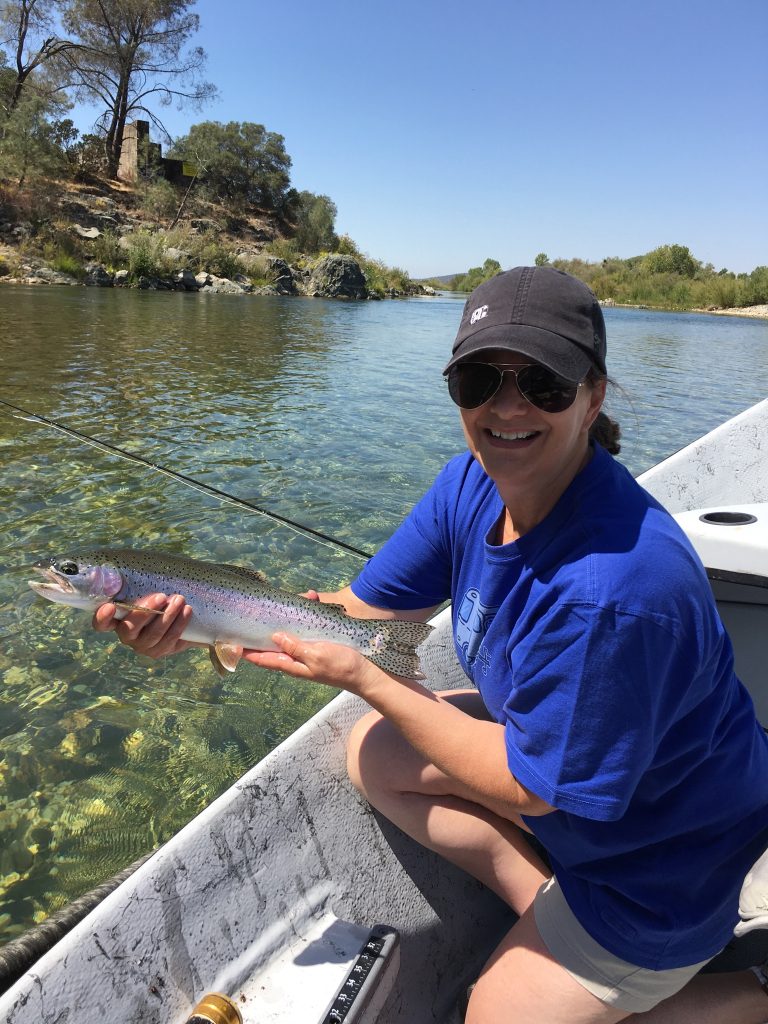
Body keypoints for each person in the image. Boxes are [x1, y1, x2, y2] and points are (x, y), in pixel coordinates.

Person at [94, 266, 768, 1024]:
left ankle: (750, 994)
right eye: (479, 379)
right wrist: (194, 627)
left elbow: (525, 789)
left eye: (543, 382)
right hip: (565, 779)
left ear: (594, 396)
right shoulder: (469, 485)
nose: (506, 407)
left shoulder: (617, 590)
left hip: (659, 867)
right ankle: (541, 900)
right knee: (372, 754)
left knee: (490, 1017)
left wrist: (369, 677)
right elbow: (350, 611)